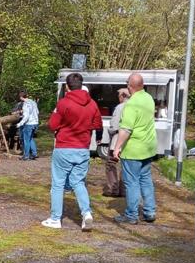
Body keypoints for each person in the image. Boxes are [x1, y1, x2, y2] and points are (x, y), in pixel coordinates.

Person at [41, 72, 102, 231]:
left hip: (64, 147)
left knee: (58, 184)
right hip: (83, 148)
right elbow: (97, 124)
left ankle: (55, 219)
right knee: (78, 182)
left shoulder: (63, 103)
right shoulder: (92, 104)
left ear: (67, 86)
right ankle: (86, 213)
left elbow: (53, 125)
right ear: (81, 85)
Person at [112, 74, 158, 224]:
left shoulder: (131, 105)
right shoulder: (148, 98)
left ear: (130, 86)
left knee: (131, 182)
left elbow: (126, 130)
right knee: (145, 180)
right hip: (148, 147)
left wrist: (117, 148)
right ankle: (149, 211)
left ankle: (131, 215)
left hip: (133, 150)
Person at [103, 88, 130, 197]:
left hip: (117, 139)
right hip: (129, 141)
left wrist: (110, 132)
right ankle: (124, 190)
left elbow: (114, 125)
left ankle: (113, 189)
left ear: (123, 95)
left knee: (111, 163)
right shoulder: (135, 106)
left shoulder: (120, 107)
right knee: (125, 165)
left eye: (119, 95)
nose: (118, 97)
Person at [15, 90, 40, 160]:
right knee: (31, 138)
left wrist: (19, 124)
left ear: (20, 97)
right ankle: (34, 154)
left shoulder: (25, 104)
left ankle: (26, 156)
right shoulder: (33, 102)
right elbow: (37, 112)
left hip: (29, 124)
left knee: (26, 140)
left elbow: (26, 116)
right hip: (35, 123)